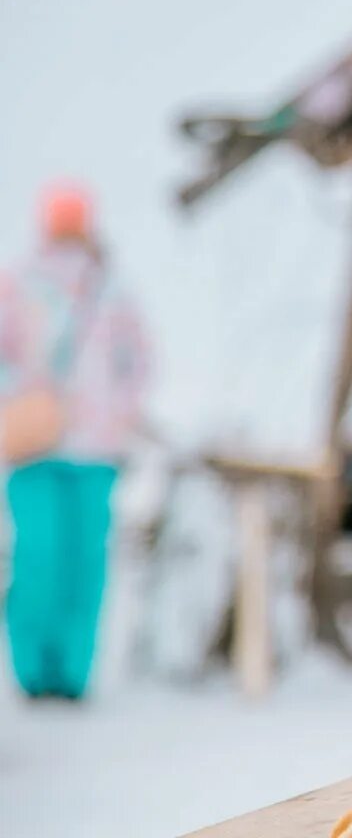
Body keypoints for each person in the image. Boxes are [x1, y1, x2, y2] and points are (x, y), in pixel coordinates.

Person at [0, 183, 149, 700]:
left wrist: (118, 415)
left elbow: (139, 361)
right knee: (38, 559)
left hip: (96, 449)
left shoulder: (111, 288)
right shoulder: (19, 283)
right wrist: (24, 397)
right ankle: (33, 673)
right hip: (36, 447)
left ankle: (73, 675)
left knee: (85, 564)